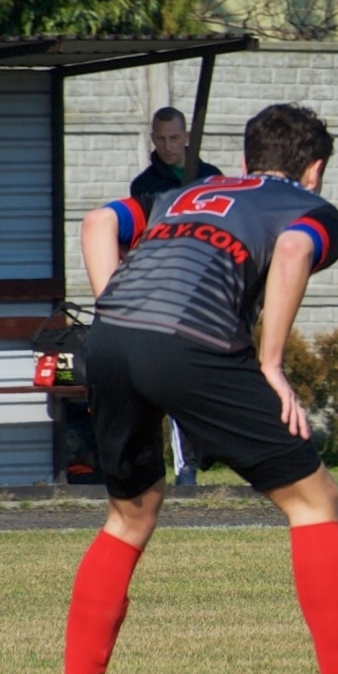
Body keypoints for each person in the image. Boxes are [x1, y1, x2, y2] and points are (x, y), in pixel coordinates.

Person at [53, 103, 338, 674]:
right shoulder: (310, 209)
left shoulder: (188, 191)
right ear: (313, 171)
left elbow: (95, 223)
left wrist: (118, 312)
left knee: (129, 513)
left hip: (110, 337)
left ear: (250, 159)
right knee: (313, 499)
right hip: (190, 338)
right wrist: (272, 363)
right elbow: (290, 250)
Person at [130, 106, 224, 486]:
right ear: (153, 139)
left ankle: (218, 450)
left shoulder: (211, 178)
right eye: (161, 138)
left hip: (211, 288)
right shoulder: (145, 185)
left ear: (186, 137)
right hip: (166, 291)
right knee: (173, 379)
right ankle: (185, 468)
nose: (168, 146)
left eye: (174, 138)